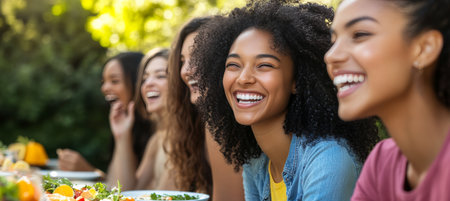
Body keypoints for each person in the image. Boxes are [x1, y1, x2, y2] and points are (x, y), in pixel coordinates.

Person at [193, 1, 379, 200]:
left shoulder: (329, 159)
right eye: (233, 65)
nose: (243, 78)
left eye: (264, 65)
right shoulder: (257, 162)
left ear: (297, 81)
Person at [324, 0, 450, 200]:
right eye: (333, 42)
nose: (330, 56)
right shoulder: (382, 162)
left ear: (424, 48)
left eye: (360, 35)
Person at [165, 17, 245, 200]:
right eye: (183, 61)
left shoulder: (221, 122)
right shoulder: (203, 122)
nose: (185, 70)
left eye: (197, 56)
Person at [58, 52, 151, 178]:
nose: (105, 88)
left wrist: (89, 172)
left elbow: (133, 192)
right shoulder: (125, 125)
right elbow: (116, 184)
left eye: (114, 81)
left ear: (137, 82)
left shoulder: (154, 131)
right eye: (104, 81)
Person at [106, 48, 176, 190]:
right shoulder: (157, 139)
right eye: (144, 78)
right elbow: (125, 190)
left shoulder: (182, 139)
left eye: (160, 76)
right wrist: (122, 135)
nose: (148, 84)